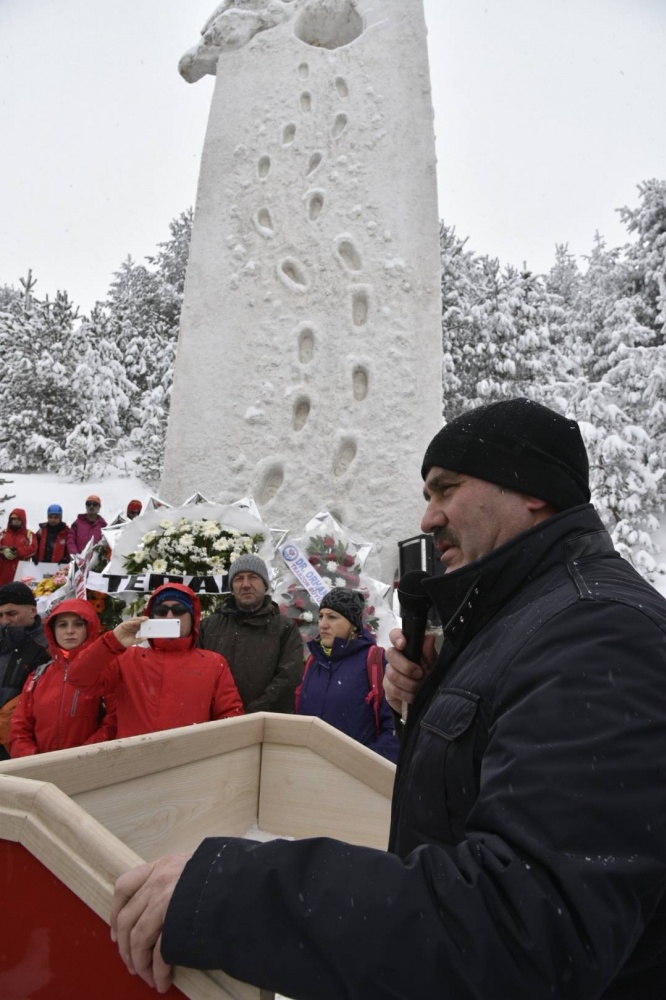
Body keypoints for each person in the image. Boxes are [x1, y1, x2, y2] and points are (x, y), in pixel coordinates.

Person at [109, 398, 666, 1000]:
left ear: (532, 489)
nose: (428, 517)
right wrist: (436, 703)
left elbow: (524, 929)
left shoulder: (599, 632)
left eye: (446, 489)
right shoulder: (530, 620)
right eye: (427, 495)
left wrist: (232, 893)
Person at [67, 583, 243, 738]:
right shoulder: (126, 658)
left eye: (179, 610)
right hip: (134, 761)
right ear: (151, 618)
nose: (170, 617)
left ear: (193, 618)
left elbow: (230, 718)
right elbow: (78, 678)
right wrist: (113, 641)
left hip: (189, 762)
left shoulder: (213, 663)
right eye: (161, 611)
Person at [295, 587, 398, 762]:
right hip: (311, 769)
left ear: (353, 624)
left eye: (332, 617)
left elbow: (394, 730)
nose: (323, 624)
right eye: (321, 616)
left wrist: (361, 764)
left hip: (356, 773)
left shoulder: (375, 660)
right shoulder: (313, 661)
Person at [9, 598, 116, 756]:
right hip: (42, 768)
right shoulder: (38, 676)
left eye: (78, 624)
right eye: (62, 625)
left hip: (90, 765)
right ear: (52, 631)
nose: (70, 631)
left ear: (89, 628)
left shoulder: (106, 671)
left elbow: (113, 722)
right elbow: (19, 729)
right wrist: (34, 759)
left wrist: (80, 758)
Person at [198, 554, 304, 713]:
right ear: (232, 587)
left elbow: (288, 677)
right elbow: (197, 674)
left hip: (264, 722)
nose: (246, 584)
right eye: (238, 579)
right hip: (216, 720)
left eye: (253, 577)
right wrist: (222, 711)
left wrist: (251, 714)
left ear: (265, 585)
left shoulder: (285, 628)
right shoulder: (208, 627)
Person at [0, 581, 51, 758]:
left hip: (19, 743)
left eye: (12, 614)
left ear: (32, 610)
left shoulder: (48, 645)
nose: (5, 621)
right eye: (0, 615)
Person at [0, 507, 37, 585]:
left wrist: (17, 552)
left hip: (21, 569)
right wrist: (3, 550)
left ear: (23, 520)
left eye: (18, 519)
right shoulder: (4, 533)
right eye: (14, 519)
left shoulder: (28, 534)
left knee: (18, 590)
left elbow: (33, 549)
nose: (16, 521)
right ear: (10, 520)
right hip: (4, 570)